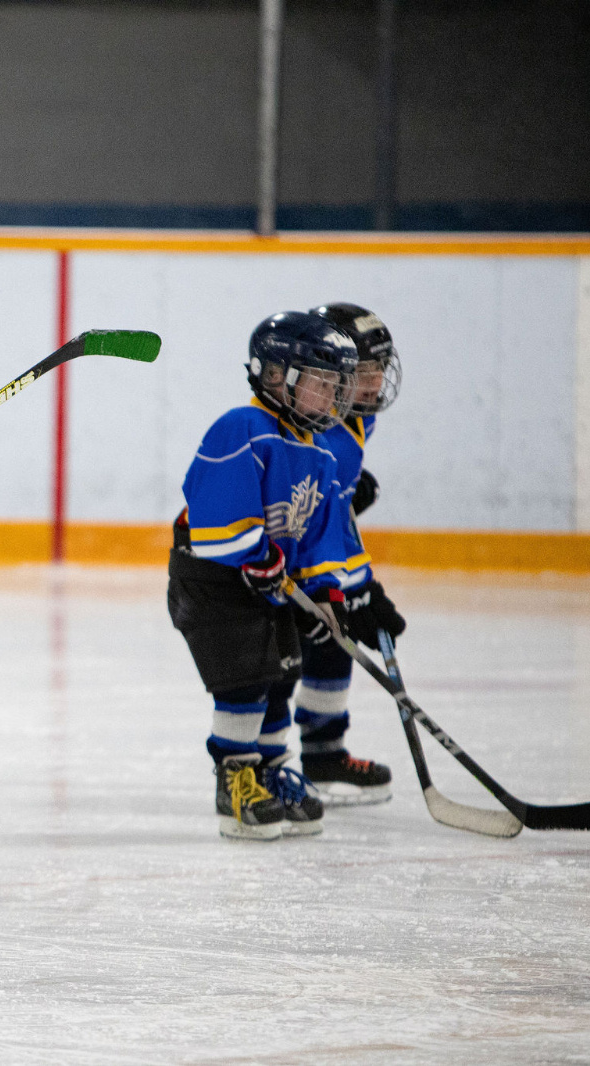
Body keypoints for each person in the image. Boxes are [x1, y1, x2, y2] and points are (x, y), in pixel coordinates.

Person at [167, 311, 367, 840]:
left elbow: (318, 536)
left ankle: (272, 770)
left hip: (267, 581)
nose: (332, 396)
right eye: (320, 382)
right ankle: (235, 777)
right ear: (276, 375)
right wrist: (252, 552)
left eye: (335, 385)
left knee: (282, 673)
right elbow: (216, 504)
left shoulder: (319, 454)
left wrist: (326, 591)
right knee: (245, 679)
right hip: (212, 578)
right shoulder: (243, 426)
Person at [293, 302, 406, 804]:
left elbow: (332, 514)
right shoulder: (325, 433)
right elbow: (322, 521)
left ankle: (323, 755)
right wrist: (358, 588)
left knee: (330, 644)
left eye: (380, 367)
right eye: (363, 371)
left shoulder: (354, 418)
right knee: (282, 661)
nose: (376, 382)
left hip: (298, 552)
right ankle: (269, 766)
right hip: (266, 561)